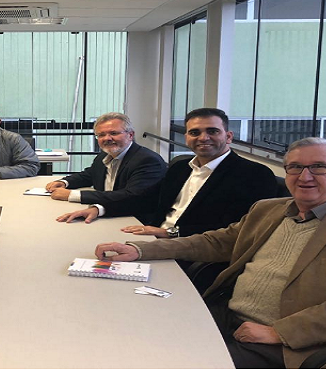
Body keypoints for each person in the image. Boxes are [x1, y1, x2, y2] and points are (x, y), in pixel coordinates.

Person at [94, 137, 326, 369]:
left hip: (278, 341)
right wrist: (139, 250)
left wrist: (280, 332)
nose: (305, 177)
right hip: (225, 314)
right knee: (133, 334)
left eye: (319, 167)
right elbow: (214, 242)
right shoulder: (268, 210)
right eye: (295, 167)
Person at [57, 109, 277, 240]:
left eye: (212, 131)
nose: (203, 138)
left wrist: (172, 233)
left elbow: (238, 230)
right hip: (153, 235)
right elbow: (146, 198)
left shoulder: (254, 174)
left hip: (192, 248)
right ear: (186, 137)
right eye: (194, 132)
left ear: (228, 136)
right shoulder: (181, 167)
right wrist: (99, 209)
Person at [45, 112, 166, 209]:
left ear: (130, 135)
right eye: (101, 135)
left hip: (135, 220)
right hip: (106, 211)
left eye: (113, 133)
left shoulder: (148, 161)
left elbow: (131, 197)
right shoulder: (104, 155)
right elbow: (89, 175)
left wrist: (72, 195)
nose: (107, 138)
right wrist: (65, 182)